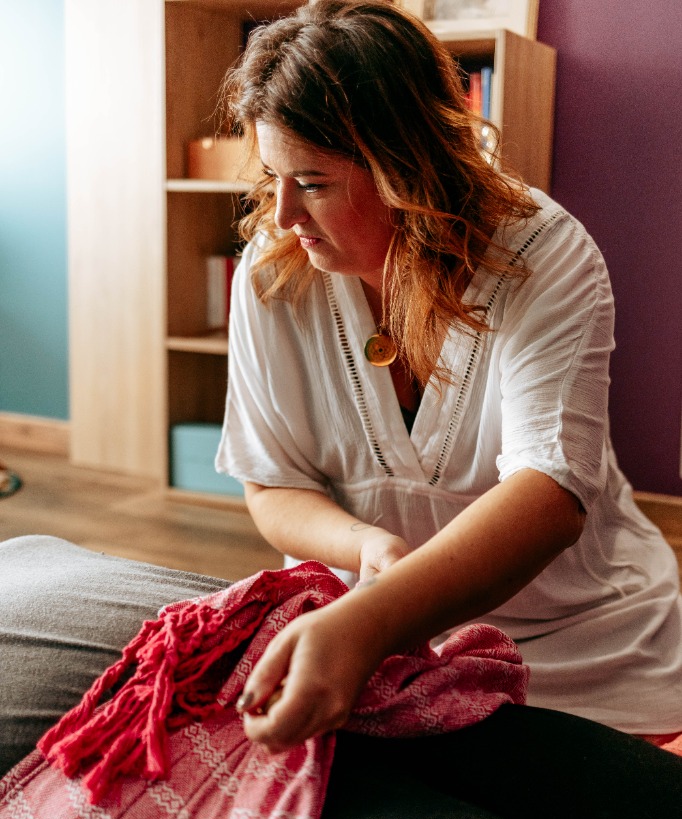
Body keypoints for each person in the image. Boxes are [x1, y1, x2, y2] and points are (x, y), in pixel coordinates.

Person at [213, 0, 682, 754]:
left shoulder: (543, 255)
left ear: (408, 168)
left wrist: (372, 623)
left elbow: (549, 495)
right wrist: (368, 552)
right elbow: (272, 487)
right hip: (355, 619)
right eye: (273, 177)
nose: (284, 213)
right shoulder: (272, 275)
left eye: (313, 181)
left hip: (575, 634)